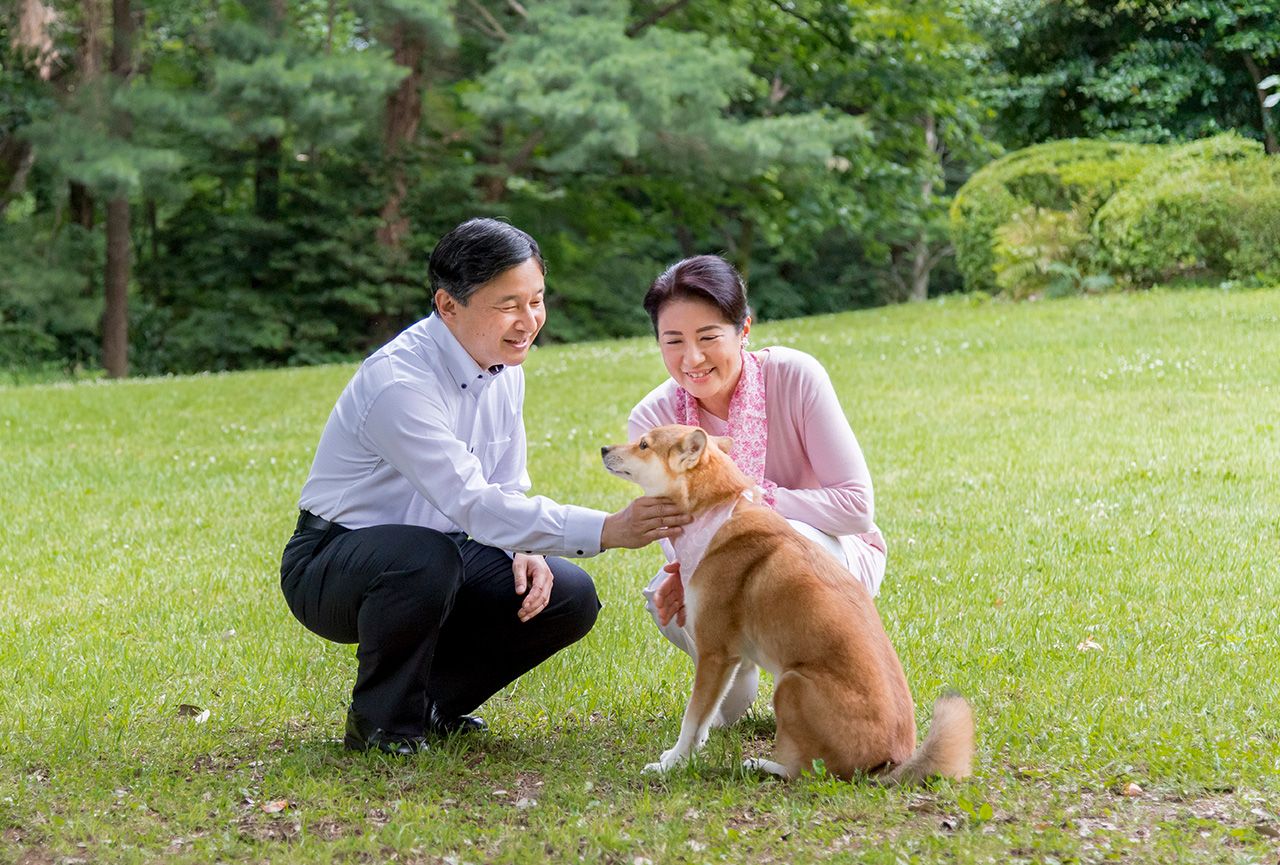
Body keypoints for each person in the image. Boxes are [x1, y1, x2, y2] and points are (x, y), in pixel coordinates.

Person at [280, 218, 690, 755]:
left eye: (537, 300)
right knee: (424, 559)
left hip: (446, 550)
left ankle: (430, 706)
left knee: (566, 595)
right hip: (335, 562)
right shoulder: (400, 384)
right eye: (508, 305)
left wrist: (524, 547)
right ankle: (382, 723)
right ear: (448, 305)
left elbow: (505, 485)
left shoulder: (504, 365)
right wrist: (610, 528)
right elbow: (472, 503)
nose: (529, 321)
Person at [628, 254, 887, 727]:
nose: (692, 359)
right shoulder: (654, 420)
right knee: (666, 602)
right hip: (724, 569)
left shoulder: (794, 376)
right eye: (673, 341)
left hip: (823, 556)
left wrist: (750, 500)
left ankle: (818, 674)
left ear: (744, 328)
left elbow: (855, 509)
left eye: (709, 337)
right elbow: (678, 533)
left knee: (790, 544)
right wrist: (687, 571)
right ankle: (737, 666)